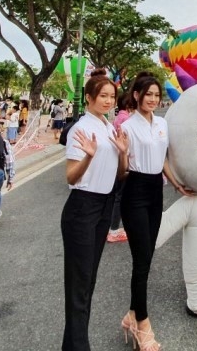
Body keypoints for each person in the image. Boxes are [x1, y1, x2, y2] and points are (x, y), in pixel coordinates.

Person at [60, 70, 129, 351]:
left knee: (88, 280)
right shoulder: (81, 129)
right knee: (79, 283)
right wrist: (88, 155)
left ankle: (73, 344)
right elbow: (71, 177)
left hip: (104, 204)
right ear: (88, 98)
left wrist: (123, 152)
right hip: (82, 208)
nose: (108, 101)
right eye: (102, 96)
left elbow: (121, 175)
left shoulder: (109, 127)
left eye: (112, 97)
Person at [120, 73, 188, 348]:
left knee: (148, 256)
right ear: (136, 95)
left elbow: (162, 161)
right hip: (134, 192)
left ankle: (131, 316)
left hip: (155, 193)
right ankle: (143, 324)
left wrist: (177, 185)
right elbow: (123, 170)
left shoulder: (162, 123)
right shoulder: (127, 127)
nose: (153, 99)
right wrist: (122, 152)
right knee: (141, 261)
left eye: (156, 95)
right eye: (148, 94)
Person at [106, 93, 135, 244]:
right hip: (123, 161)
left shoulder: (118, 118)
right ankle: (114, 229)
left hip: (116, 160)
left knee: (118, 195)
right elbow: (128, 145)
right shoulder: (127, 119)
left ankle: (113, 227)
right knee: (120, 196)